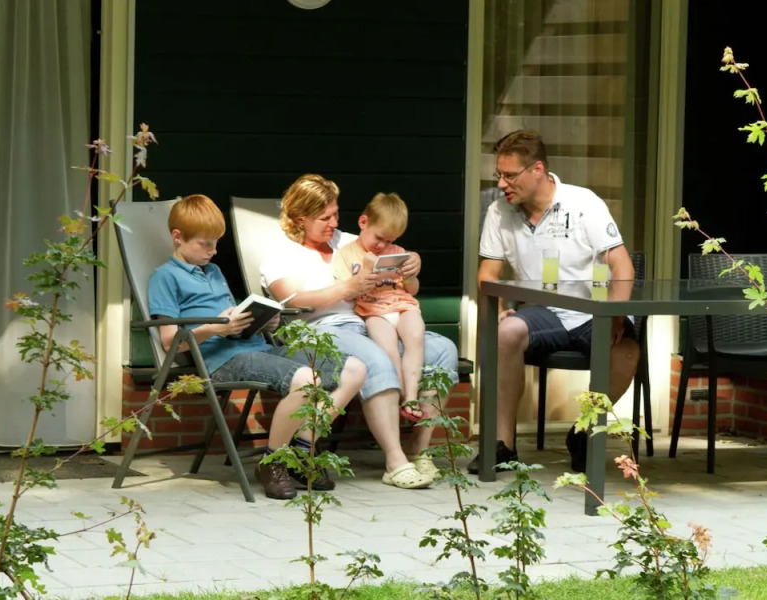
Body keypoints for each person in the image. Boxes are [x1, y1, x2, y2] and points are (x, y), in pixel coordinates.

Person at [148, 194, 366, 500]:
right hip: (218, 358)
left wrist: (263, 321)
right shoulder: (164, 277)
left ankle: (303, 452)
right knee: (307, 381)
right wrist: (215, 327)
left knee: (354, 369)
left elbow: (233, 320)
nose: (212, 252)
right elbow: (171, 340)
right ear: (178, 237)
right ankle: (273, 462)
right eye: (204, 244)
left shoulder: (214, 271)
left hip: (254, 346)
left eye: (216, 244)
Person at [260, 174, 460, 490]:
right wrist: (346, 288)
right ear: (301, 218)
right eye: (324, 218)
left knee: (443, 349)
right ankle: (395, 462)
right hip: (317, 332)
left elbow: (390, 252)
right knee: (377, 358)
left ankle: (419, 450)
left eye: (336, 213)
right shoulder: (281, 254)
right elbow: (293, 301)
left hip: (369, 323)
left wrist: (413, 263)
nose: (334, 223)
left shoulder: (349, 241)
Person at [469, 130, 640, 474]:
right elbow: (488, 271)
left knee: (628, 350)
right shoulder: (499, 211)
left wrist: (615, 313)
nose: (502, 184)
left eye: (509, 175)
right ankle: (503, 446)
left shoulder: (583, 202)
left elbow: (621, 264)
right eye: (498, 175)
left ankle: (585, 431)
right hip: (542, 311)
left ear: (537, 169)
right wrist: (500, 309)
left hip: (592, 309)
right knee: (504, 333)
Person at [332, 192, 427, 424]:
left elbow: (411, 290)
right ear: (363, 222)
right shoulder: (347, 254)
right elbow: (346, 290)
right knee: (388, 348)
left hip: (403, 305)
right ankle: (400, 396)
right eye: (380, 238)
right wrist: (366, 272)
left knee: (416, 336)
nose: (384, 245)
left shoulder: (397, 252)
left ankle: (412, 398)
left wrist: (410, 274)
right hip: (373, 311)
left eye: (390, 240)